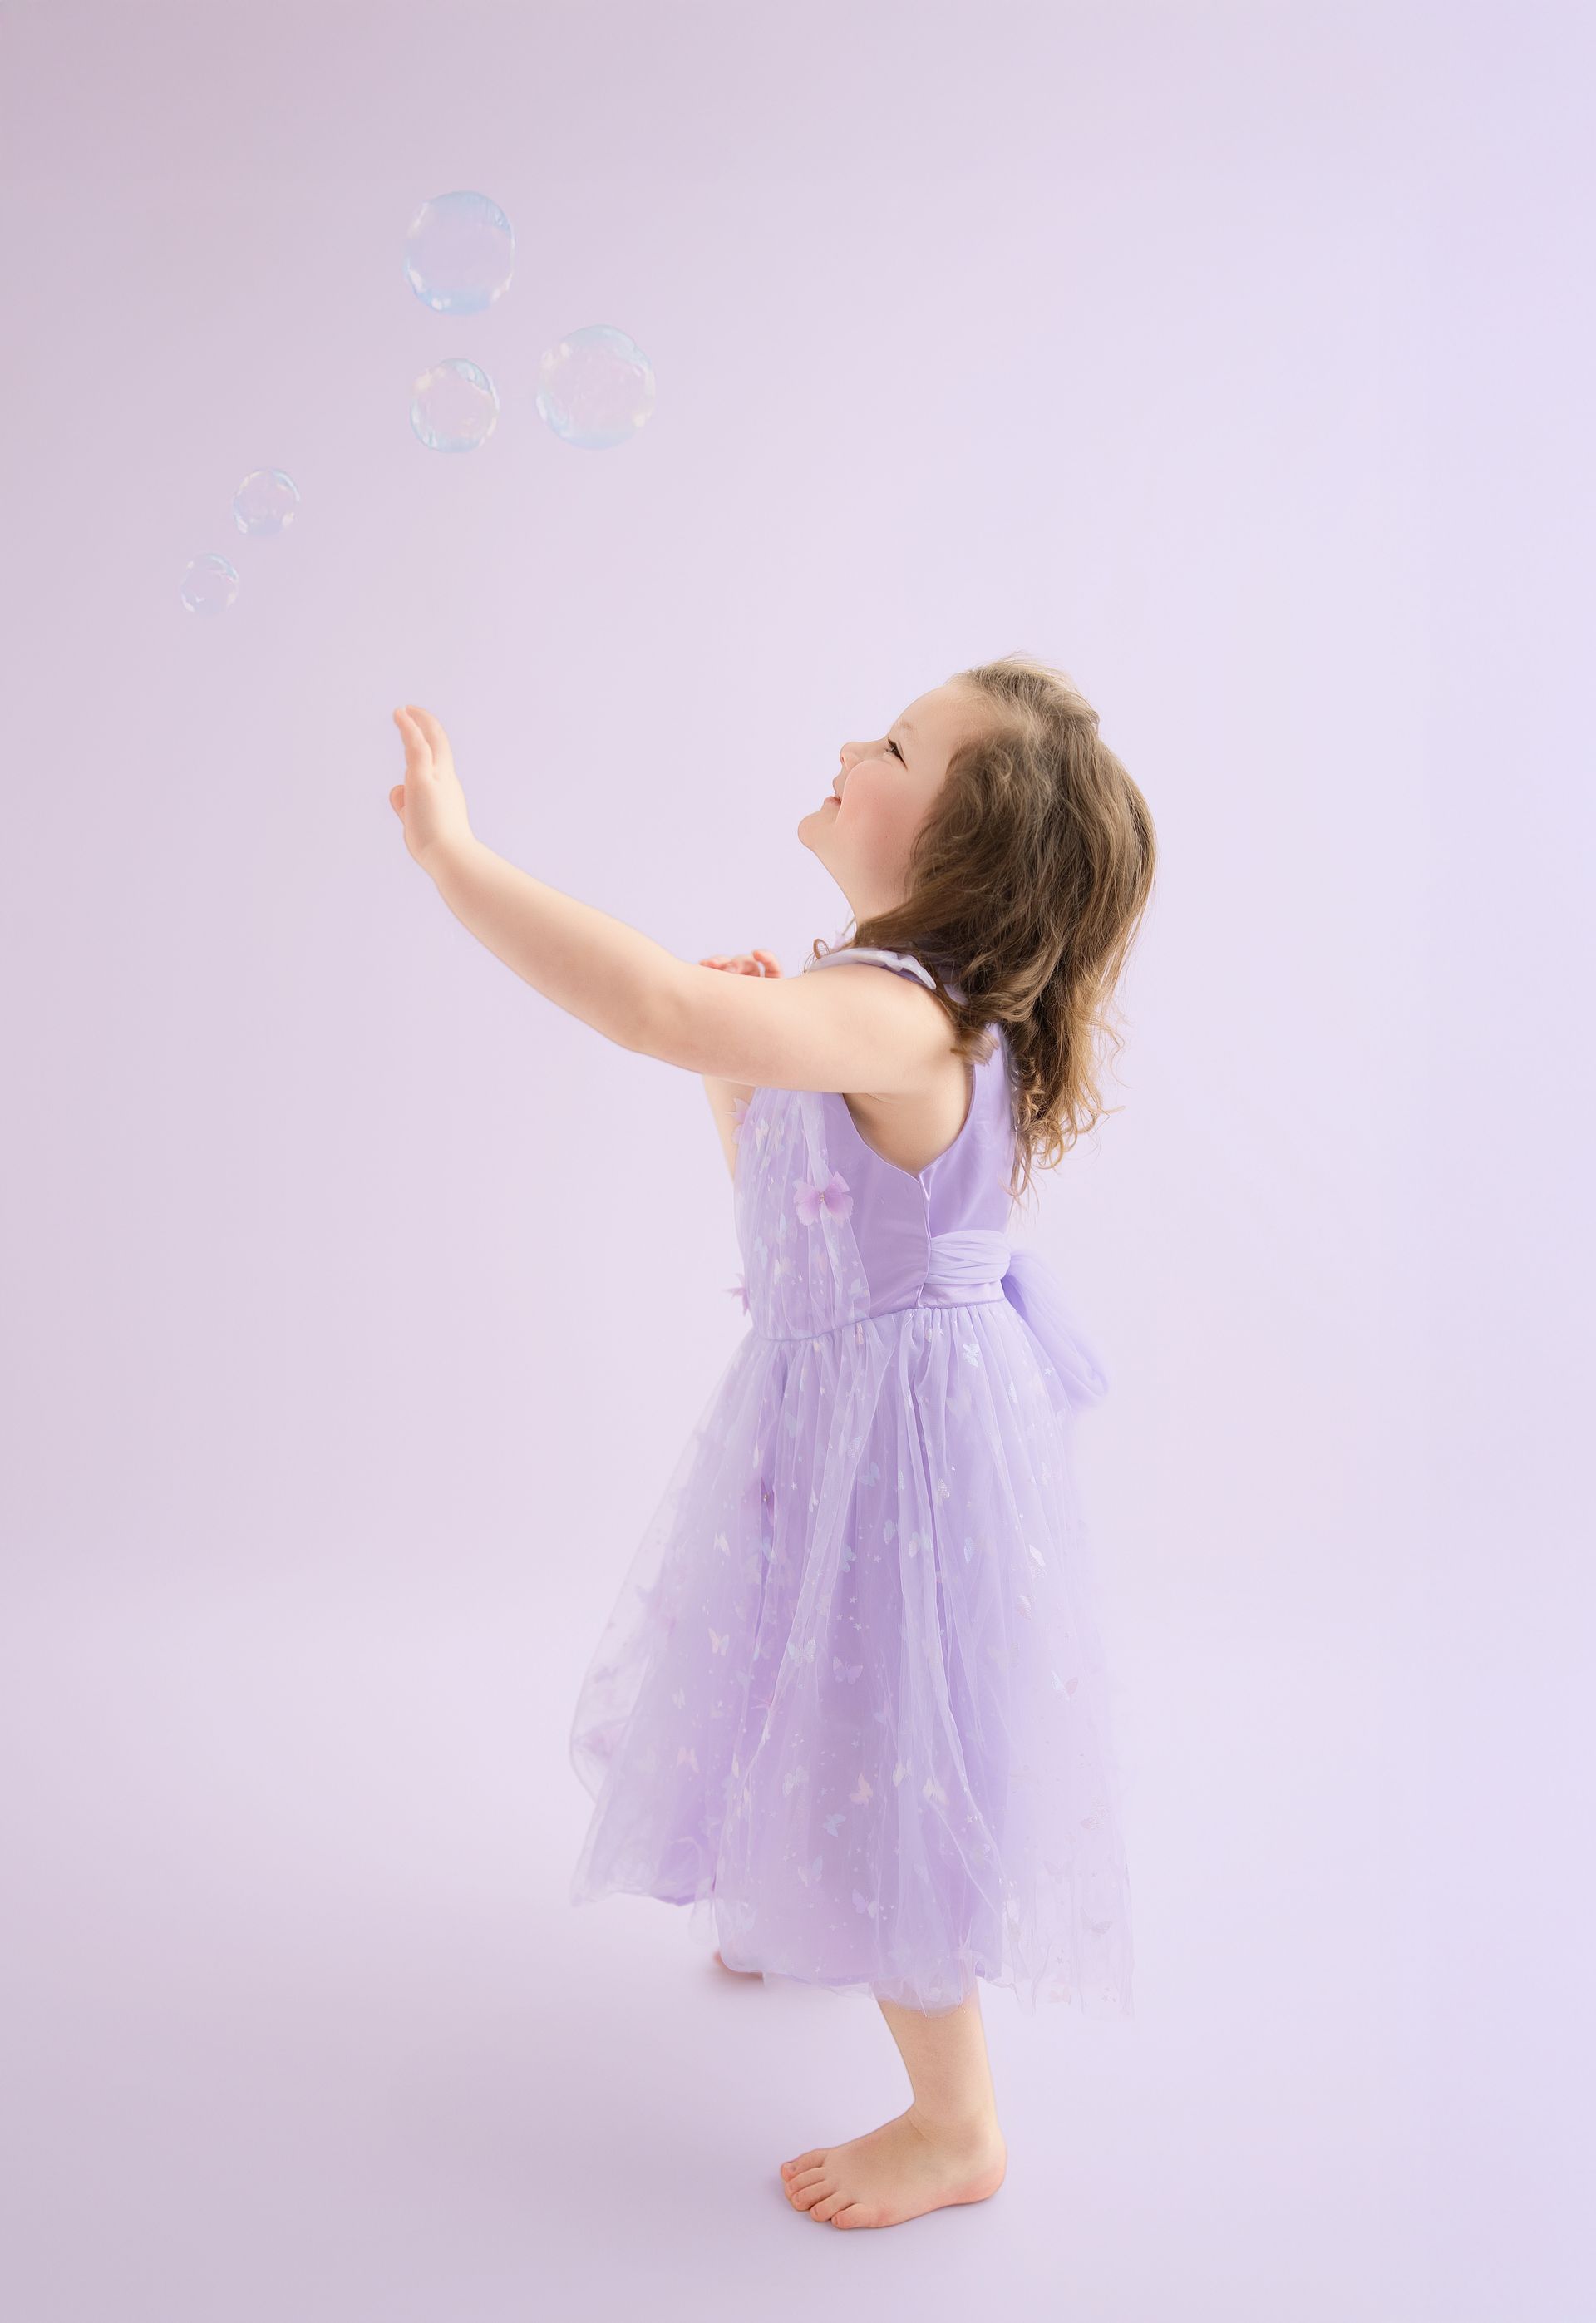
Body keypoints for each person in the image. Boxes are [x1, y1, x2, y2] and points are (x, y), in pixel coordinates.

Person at [387, 653, 1157, 2229]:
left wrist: (459, 862)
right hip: (841, 1412)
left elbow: (660, 1008)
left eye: (893, 743)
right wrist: (748, 1078)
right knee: (792, 1670)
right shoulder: (880, 1009)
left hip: (898, 1451)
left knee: (881, 1718)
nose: (848, 745)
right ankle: (801, 1891)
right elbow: (807, 1219)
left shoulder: (897, 1012)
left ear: (960, 844)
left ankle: (957, 2124)